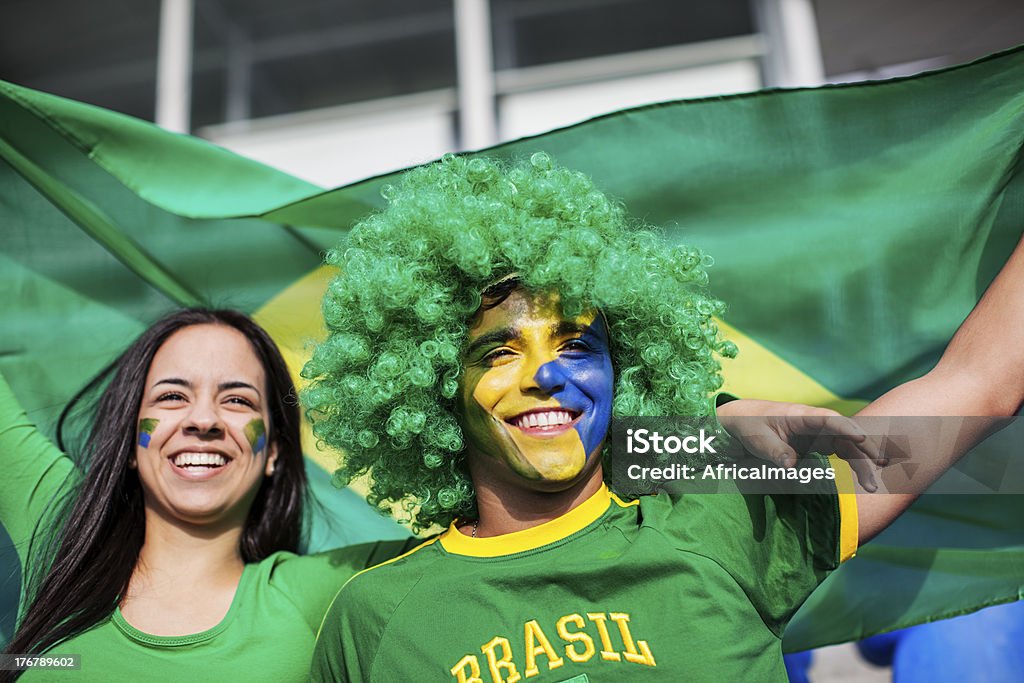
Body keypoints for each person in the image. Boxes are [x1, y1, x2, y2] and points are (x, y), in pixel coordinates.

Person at [303, 153, 1024, 681]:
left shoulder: (726, 519)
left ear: (625, 372)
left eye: (577, 345)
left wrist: (700, 439)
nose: (547, 374)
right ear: (436, 389)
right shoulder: (374, 618)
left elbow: (980, 382)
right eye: (499, 351)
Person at [0, 309, 416, 682]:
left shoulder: (326, 589)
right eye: (172, 396)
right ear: (129, 443)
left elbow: (477, 542)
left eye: (237, 400)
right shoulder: (64, 533)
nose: (203, 419)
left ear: (273, 451)